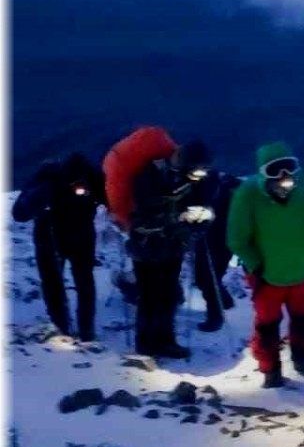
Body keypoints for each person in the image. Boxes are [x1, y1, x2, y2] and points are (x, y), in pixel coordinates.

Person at [227, 142, 304, 388]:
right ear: (264, 173)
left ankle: (303, 357)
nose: (284, 176)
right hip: (266, 275)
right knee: (267, 325)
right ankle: (270, 369)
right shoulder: (248, 194)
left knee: (303, 318)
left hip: (301, 270)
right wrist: (256, 266)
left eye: (289, 168)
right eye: (275, 170)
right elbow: (236, 238)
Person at [126, 139, 216, 359]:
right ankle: (146, 343)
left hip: (173, 245)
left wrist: (201, 218)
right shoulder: (151, 174)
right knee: (149, 296)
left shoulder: (191, 178)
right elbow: (142, 214)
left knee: (168, 294)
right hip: (146, 247)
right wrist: (179, 217)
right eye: (195, 170)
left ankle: (165, 340)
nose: (198, 175)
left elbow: (200, 202)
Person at [11, 153, 106, 341]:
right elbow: (20, 213)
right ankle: (72, 328)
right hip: (56, 235)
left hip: (69, 235)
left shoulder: (91, 179)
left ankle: (69, 328)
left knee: (67, 282)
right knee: (73, 282)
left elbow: (19, 213)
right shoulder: (49, 183)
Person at [194, 171, 241, 332]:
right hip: (220, 237)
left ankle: (215, 316)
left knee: (207, 278)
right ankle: (224, 302)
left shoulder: (211, 188)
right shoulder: (223, 185)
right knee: (208, 277)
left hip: (215, 238)